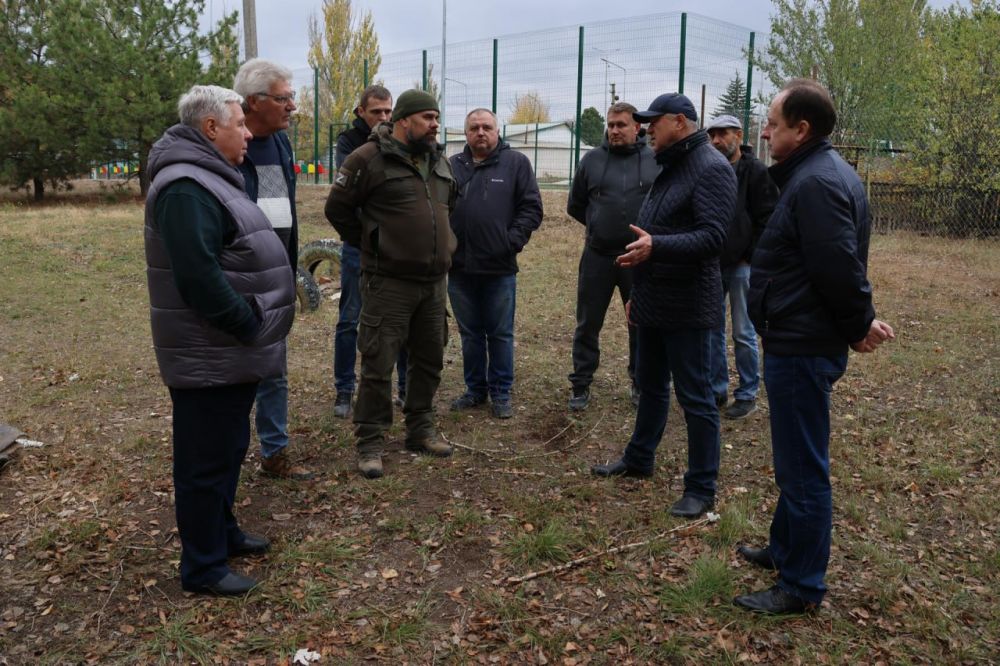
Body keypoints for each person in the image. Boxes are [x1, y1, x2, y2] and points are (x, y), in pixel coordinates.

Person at [733, 79, 894, 615]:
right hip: (797, 336)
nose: (765, 131)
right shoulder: (819, 175)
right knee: (794, 459)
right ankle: (784, 548)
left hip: (802, 345)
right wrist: (856, 320)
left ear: (801, 130)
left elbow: (838, 268)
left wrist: (858, 323)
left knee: (803, 467)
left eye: (773, 124)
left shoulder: (816, 183)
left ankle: (802, 585)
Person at [145, 85, 295, 595]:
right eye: (240, 124)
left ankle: (222, 533)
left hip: (227, 351)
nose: (249, 133)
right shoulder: (187, 187)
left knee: (227, 448)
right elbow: (197, 277)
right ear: (211, 129)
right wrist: (248, 322)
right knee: (203, 461)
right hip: (209, 351)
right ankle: (203, 567)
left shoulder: (208, 177)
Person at [590, 93, 737, 521]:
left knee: (696, 398)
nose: (648, 128)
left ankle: (701, 487)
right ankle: (639, 460)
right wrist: (640, 290)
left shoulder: (710, 168)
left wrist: (656, 247)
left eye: (655, 121)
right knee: (650, 385)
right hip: (655, 298)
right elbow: (656, 228)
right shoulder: (671, 164)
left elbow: (713, 238)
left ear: (680, 121)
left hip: (689, 304)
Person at [324, 89, 457, 479]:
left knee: (429, 359)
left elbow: (451, 207)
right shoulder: (368, 159)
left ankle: (420, 429)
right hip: (389, 283)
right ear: (403, 121)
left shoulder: (440, 162)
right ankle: (370, 441)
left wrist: (444, 245)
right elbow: (338, 209)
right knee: (379, 363)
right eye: (427, 118)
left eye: (436, 117)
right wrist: (375, 243)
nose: (435, 124)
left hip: (433, 283)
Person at [232, 58, 312, 481]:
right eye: (284, 98)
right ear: (254, 102)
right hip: (241, 279)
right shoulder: (226, 146)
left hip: (277, 274)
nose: (292, 106)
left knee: (274, 368)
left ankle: (274, 453)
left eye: (291, 97)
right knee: (237, 371)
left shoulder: (280, 143)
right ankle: (228, 455)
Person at [447, 108, 543, 419]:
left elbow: (531, 208)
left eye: (487, 127)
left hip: (499, 268)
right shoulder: (452, 166)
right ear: (466, 133)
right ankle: (475, 390)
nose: (480, 132)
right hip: (459, 269)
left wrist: (511, 241)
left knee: (500, 333)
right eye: (474, 127)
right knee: (470, 334)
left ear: (497, 131)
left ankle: (501, 392)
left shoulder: (515, 164)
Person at [566, 102, 658, 411]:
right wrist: (599, 228)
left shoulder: (655, 160)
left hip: (639, 259)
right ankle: (581, 384)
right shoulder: (591, 160)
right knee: (587, 323)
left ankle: (641, 382)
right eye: (611, 124)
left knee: (641, 323)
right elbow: (575, 205)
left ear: (637, 127)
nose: (615, 130)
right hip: (597, 257)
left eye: (621, 124)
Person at [332, 85, 408, 419]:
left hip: (397, 245)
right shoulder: (350, 144)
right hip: (360, 246)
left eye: (389, 111)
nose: (384, 118)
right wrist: (361, 238)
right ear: (361, 111)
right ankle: (344, 390)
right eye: (377, 111)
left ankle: (405, 388)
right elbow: (348, 198)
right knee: (351, 319)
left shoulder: (402, 139)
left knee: (403, 319)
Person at [705, 114, 779, 420]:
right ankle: (717, 388)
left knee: (744, 332)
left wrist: (750, 255)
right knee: (712, 329)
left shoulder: (756, 172)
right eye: (712, 135)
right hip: (713, 262)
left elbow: (767, 218)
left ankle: (748, 393)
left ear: (738, 134)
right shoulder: (710, 170)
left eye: (722, 134)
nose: (716, 140)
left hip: (743, 266)